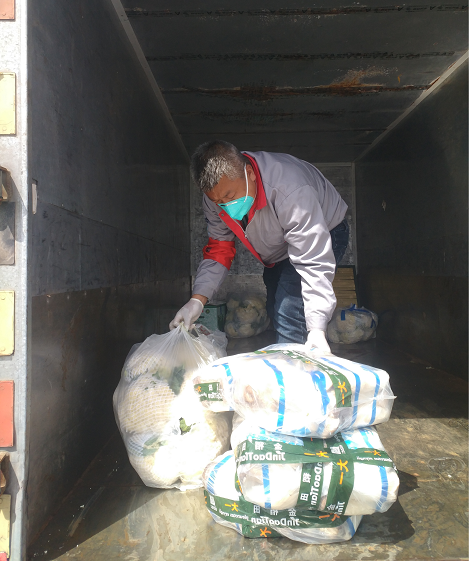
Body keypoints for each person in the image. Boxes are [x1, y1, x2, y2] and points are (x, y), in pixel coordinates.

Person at [169, 140, 349, 354]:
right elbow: (219, 248)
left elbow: (313, 261)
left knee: (289, 310)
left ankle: (292, 368)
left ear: (249, 173)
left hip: (324, 230)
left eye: (229, 196)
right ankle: (287, 358)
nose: (225, 206)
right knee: (274, 306)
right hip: (279, 247)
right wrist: (197, 300)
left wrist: (317, 329)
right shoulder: (215, 197)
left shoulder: (290, 190)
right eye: (218, 201)